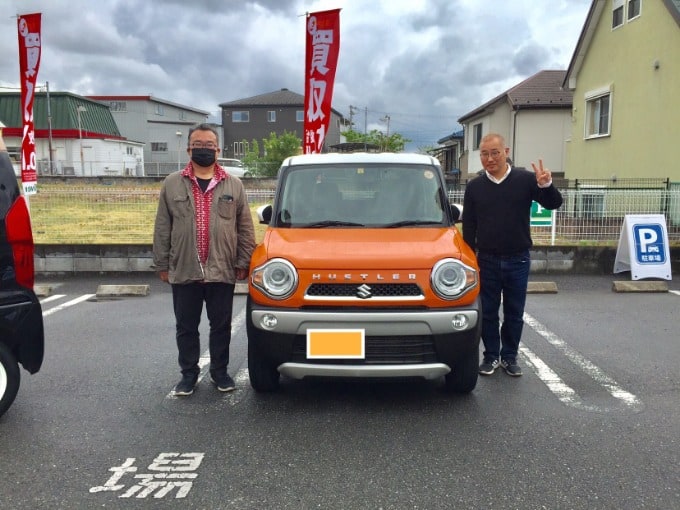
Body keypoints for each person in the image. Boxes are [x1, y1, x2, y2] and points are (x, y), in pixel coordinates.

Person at [153, 123, 256, 396]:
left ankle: (220, 373)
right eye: (198, 144)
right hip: (184, 267)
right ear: (188, 148)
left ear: (218, 149)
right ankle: (188, 375)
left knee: (221, 326)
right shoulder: (172, 183)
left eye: (209, 144)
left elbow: (245, 227)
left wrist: (243, 261)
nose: (203, 149)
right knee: (186, 327)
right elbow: (163, 226)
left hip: (221, 269)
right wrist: (162, 264)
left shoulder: (233, 185)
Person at [462, 133, 562, 377]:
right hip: (486, 259)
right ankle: (491, 356)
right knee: (487, 311)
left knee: (515, 312)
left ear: (506, 151)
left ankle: (510, 356)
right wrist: (469, 258)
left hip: (518, 258)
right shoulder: (475, 186)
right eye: (484, 154)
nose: (489, 158)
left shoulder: (526, 179)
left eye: (495, 152)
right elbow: (469, 226)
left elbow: (554, 203)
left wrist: (546, 185)